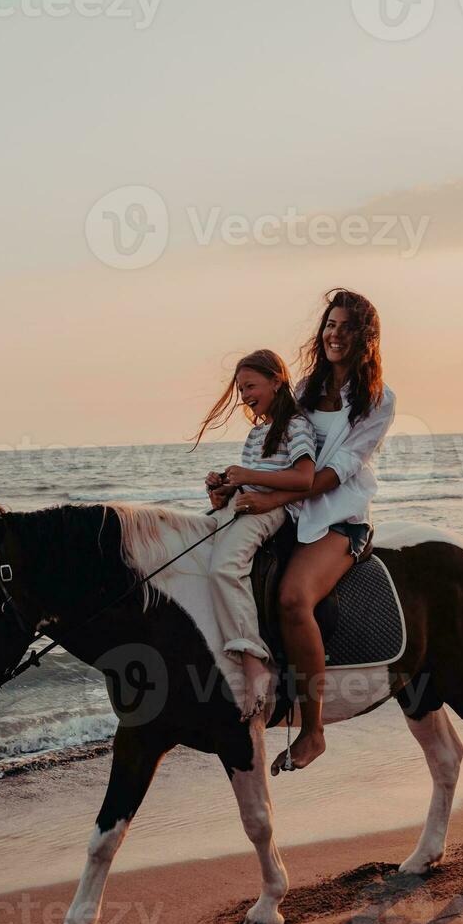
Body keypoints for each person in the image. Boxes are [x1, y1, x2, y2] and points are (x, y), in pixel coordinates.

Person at [231, 289, 396, 773]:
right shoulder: (302, 390)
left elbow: (337, 470)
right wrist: (230, 484)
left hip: (339, 517)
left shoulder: (378, 400)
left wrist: (274, 497)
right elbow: (279, 451)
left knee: (292, 597)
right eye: (329, 325)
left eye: (346, 327)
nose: (334, 334)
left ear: (365, 337)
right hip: (294, 512)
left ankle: (314, 730)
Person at [195, 350, 317, 723]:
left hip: (275, 509)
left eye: (250, 385)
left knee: (225, 569)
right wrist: (222, 490)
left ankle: (253, 659)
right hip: (245, 503)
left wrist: (249, 476)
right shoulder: (256, 432)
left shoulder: (296, 425)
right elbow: (248, 477)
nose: (244, 395)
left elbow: (303, 477)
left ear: (277, 380)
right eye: (240, 389)